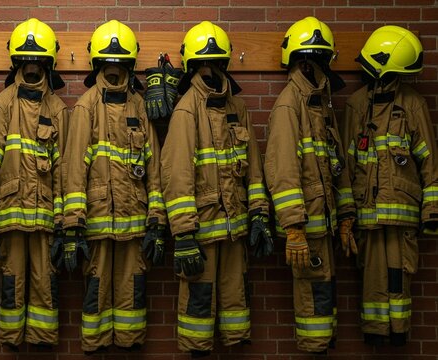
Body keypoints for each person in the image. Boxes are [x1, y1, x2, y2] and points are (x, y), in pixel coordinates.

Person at [160, 21, 271, 358]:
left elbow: (253, 168)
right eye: (203, 65)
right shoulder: (185, 110)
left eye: (216, 64)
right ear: (193, 67)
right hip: (202, 234)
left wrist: (260, 216)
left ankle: (236, 343)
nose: (210, 71)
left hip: (236, 230)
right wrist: (184, 235)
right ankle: (197, 350)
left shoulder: (238, 109)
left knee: (237, 298)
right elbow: (176, 176)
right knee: (198, 303)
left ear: (223, 65)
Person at [59, 19, 166, 354]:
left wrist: (158, 221)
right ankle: (95, 344)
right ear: (98, 64)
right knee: (96, 289)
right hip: (97, 227)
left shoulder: (141, 106)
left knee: (133, 289)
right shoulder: (86, 107)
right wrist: (73, 224)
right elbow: (74, 167)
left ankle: (131, 343)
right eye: (110, 63)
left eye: (120, 64)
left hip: (135, 228)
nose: (115, 69)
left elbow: (155, 168)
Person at [0, 18, 67, 350]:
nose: (32, 67)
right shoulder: (2, 106)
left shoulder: (58, 109)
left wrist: (68, 226)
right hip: (10, 220)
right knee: (11, 282)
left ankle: (42, 339)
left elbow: (66, 171)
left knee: (45, 284)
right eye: (27, 60)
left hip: (46, 223)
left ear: (48, 63)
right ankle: (11, 340)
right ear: (17, 62)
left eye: (38, 61)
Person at [340, 25, 438, 347]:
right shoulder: (356, 105)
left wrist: (432, 210)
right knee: (372, 281)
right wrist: (347, 213)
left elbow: (430, 162)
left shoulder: (413, 105)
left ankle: (398, 333)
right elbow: (347, 162)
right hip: (367, 216)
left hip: (402, 218)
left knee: (398, 279)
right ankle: (375, 333)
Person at [263, 16, 354, 354]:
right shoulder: (290, 105)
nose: (317, 68)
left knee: (325, 295)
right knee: (313, 299)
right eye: (311, 62)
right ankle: (314, 347)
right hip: (306, 228)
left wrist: (345, 214)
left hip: (325, 223)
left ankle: (321, 343)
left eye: (321, 60)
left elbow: (337, 163)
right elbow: (282, 171)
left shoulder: (321, 106)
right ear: (300, 63)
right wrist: (294, 228)